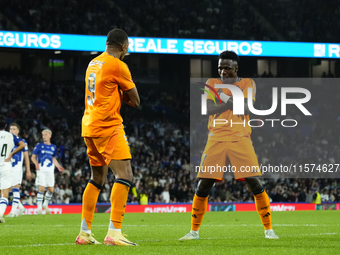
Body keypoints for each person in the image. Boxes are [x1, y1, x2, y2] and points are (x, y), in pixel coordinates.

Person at [180, 51, 279, 241]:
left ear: (236, 68)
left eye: (226, 68)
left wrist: (223, 100)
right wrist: (231, 102)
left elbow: (248, 108)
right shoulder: (212, 83)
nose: (222, 71)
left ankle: (269, 230)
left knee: (255, 182)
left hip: (240, 137)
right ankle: (193, 232)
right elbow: (207, 109)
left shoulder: (248, 83)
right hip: (216, 137)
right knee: (203, 185)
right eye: (220, 68)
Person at [75, 28, 140, 246]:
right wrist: (121, 95)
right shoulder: (118, 65)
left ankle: (84, 233)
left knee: (97, 179)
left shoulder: (93, 63)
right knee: (125, 174)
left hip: (89, 125)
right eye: (127, 47)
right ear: (123, 47)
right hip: (108, 126)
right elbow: (136, 101)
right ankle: (114, 232)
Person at [31, 129, 64, 215]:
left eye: (46, 134)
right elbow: (33, 157)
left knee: (51, 190)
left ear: (50, 136)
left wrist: (58, 166)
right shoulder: (39, 145)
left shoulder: (53, 147)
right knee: (41, 189)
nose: (44, 136)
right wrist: (36, 163)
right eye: (43, 135)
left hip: (50, 170)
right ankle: (38, 208)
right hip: (41, 169)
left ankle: (45, 204)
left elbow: (53, 158)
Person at [0, 116, 25, 223]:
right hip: (5, 165)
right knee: (5, 192)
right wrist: (11, 154)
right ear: (5, 125)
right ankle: (0, 214)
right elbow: (22, 144)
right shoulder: (10, 135)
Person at [7, 123, 31, 217]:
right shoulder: (7, 141)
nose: (12, 131)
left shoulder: (22, 142)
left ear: (18, 131)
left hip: (17, 168)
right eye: (10, 129)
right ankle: (21, 207)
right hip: (7, 168)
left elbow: (26, 157)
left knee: (15, 188)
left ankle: (13, 212)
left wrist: (28, 170)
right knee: (7, 190)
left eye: (14, 129)